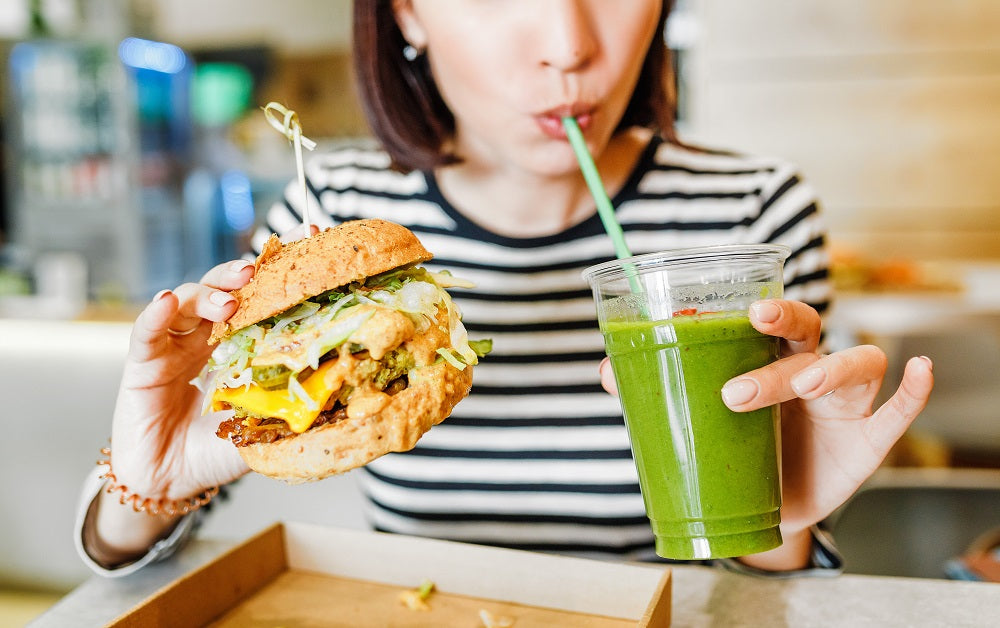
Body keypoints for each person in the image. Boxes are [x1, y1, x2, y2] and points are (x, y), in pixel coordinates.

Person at [76, 0, 933, 577]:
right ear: (407, 10)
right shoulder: (335, 215)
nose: (570, 43)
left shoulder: (753, 213)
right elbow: (127, 540)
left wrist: (778, 518)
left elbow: (767, 569)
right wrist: (151, 480)